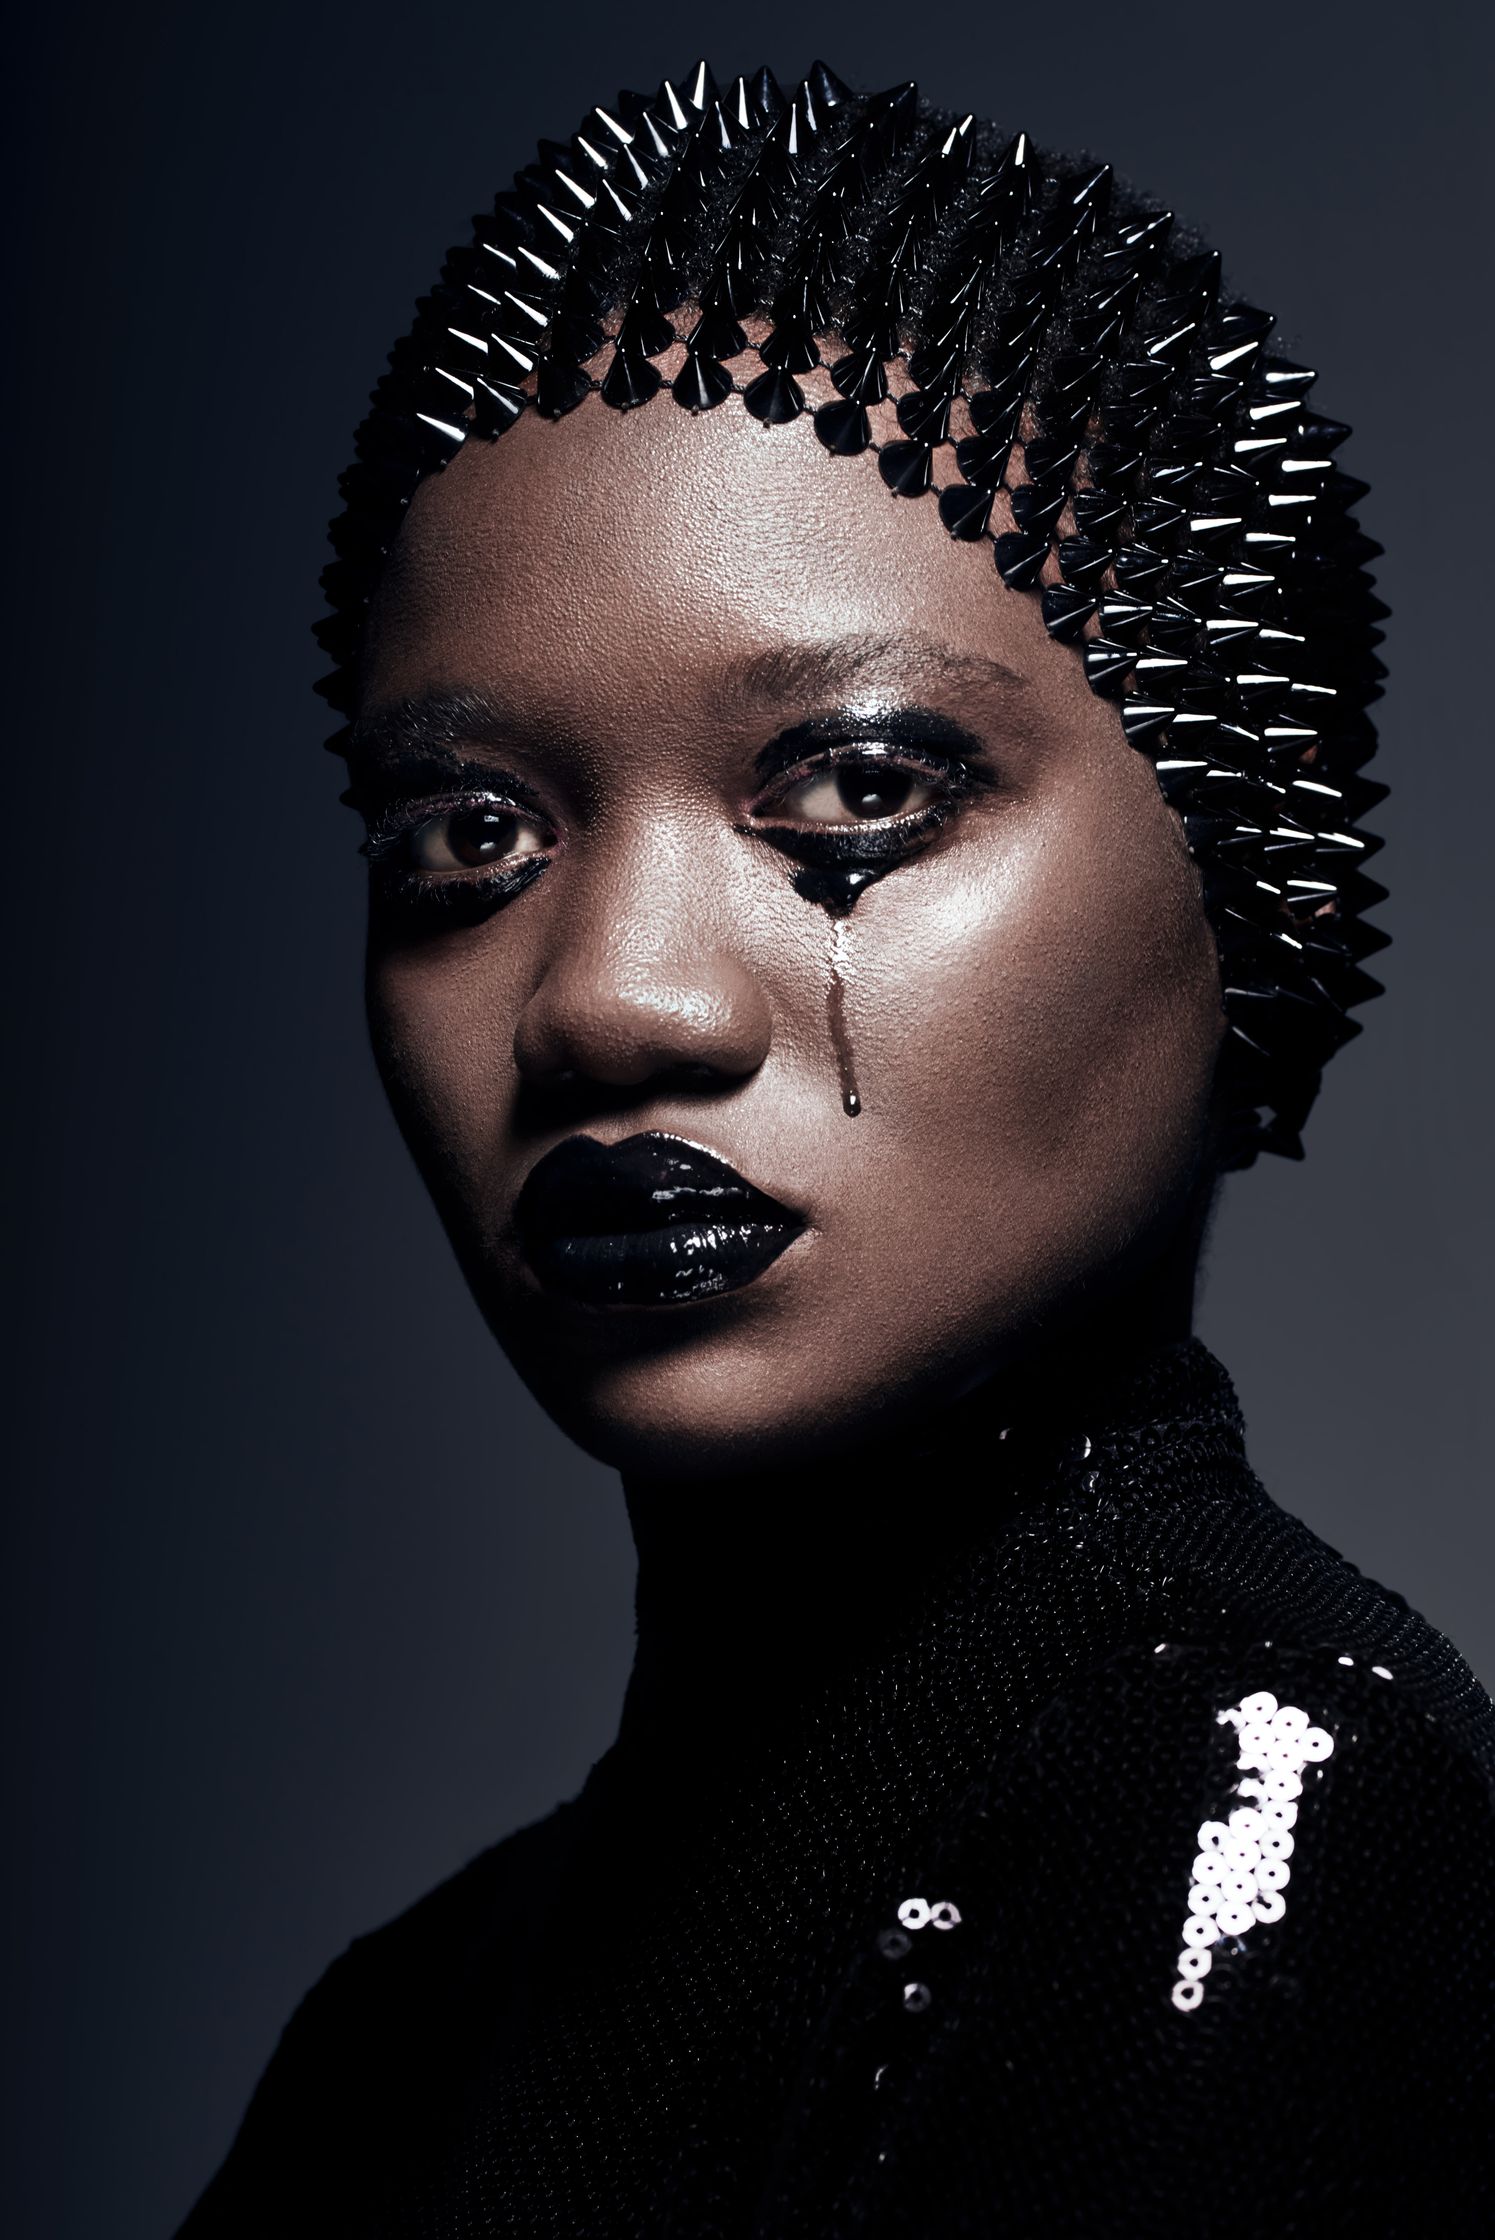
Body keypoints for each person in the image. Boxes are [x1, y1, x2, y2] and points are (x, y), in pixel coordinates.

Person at [179, 59, 1495, 2236]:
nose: (609, 996)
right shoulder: (403, 2027)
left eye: (860, 794)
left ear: (1247, 876)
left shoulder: (1265, 1836)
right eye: (470, 833)